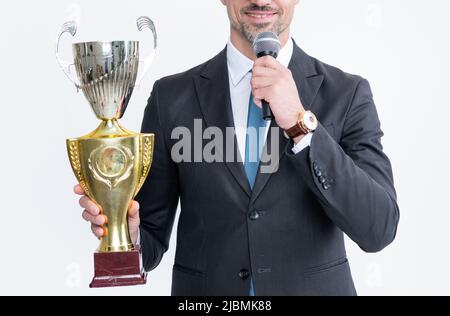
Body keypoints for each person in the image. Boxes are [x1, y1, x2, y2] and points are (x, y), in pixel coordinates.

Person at [75, 0, 399, 296]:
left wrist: (301, 125)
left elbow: (377, 228)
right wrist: (126, 232)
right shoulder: (170, 98)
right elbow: (151, 239)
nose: (261, 0)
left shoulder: (348, 93)